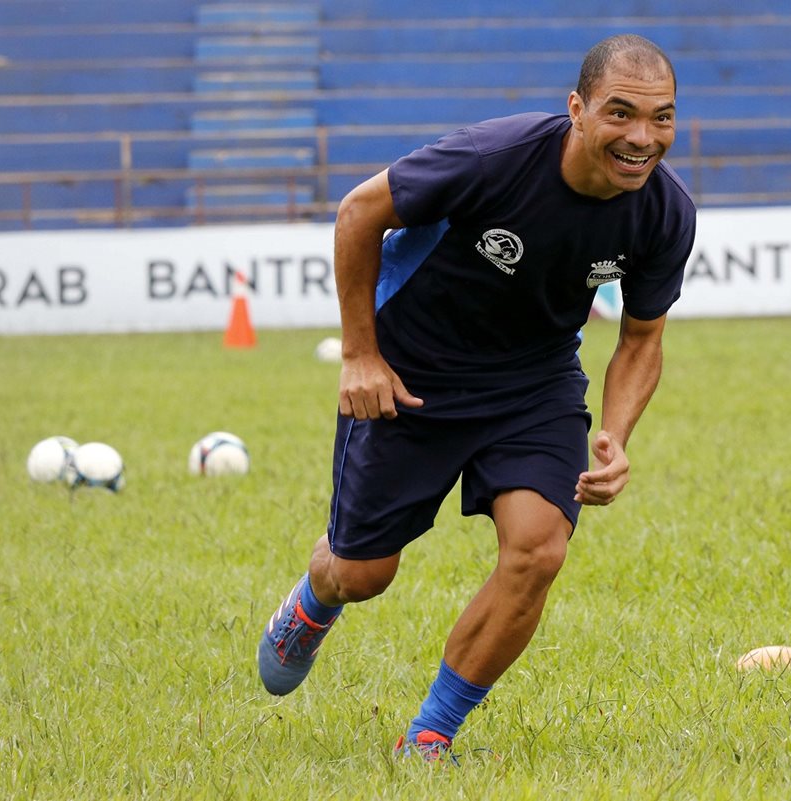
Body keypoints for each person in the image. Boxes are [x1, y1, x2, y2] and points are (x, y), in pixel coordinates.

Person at [256, 33, 696, 761]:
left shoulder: (664, 212)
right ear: (577, 109)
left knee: (539, 549)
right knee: (363, 574)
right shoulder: (492, 158)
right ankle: (315, 599)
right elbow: (360, 212)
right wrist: (361, 355)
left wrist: (616, 436)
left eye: (662, 118)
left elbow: (642, 339)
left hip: (534, 384)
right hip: (411, 374)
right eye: (621, 113)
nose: (642, 138)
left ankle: (430, 735)